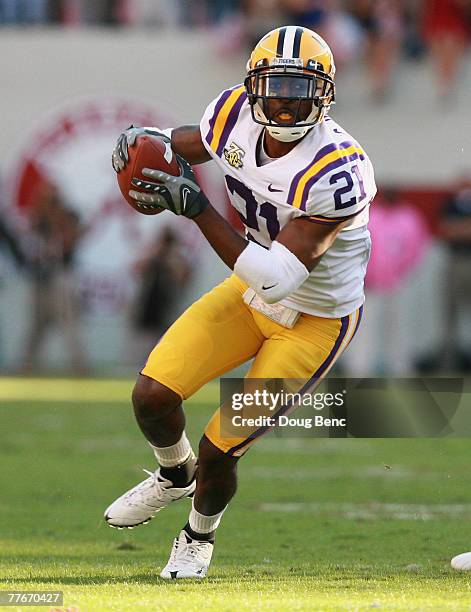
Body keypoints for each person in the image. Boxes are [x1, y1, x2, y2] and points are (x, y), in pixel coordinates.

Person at [105, 25, 376, 579]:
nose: (283, 101)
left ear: (323, 93)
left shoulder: (338, 169)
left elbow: (279, 278)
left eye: (299, 89)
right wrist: (144, 141)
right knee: (152, 396)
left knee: (220, 447)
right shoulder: (233, 112)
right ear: (252, 85)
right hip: (250, 291)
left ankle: (197, 537)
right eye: (275, 86)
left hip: (314, 320)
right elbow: (189, 142)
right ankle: (173, 475)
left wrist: (198, 207)